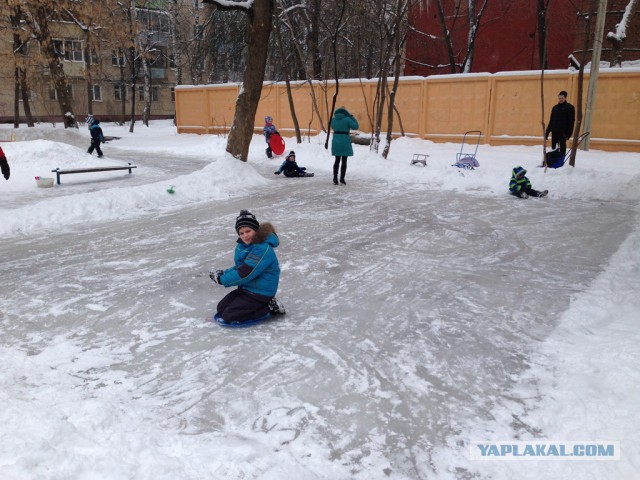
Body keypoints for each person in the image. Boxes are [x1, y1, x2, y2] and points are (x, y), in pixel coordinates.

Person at [210, 210, 285, 323]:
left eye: (248, 231)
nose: (245, 235)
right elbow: (240, 267)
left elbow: (246, 272)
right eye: (241, 233)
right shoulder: (244, 246)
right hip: (246, 289)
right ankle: (263, 306)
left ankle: (270, 308)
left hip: (260, 293)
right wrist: (223, 273)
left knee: (229, 316)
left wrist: (222, 280)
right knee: (221, 308)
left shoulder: (262, 249)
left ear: (256, 230)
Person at [330, 106, 359, 185]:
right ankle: (342, 179)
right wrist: (351, 117)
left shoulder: (333, 119)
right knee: (344, 160)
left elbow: (332, 126)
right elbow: (356, 126)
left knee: (337, 160)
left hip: (336, 140)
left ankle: (335, 178)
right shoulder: (347, 119)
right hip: (345, 140)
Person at [545, 91, 575, 157]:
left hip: (563, 132)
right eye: (559, 98)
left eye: (562, 98)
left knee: (562, 148)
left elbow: (571, 122)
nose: (560, 100)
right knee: (553, 148)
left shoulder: (570, 108)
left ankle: (561, 161)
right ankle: (553, 161)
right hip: (554, 131)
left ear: (565, 98)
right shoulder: (555, 108)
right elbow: (551, 120)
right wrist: (547, 131)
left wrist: (568, 134)